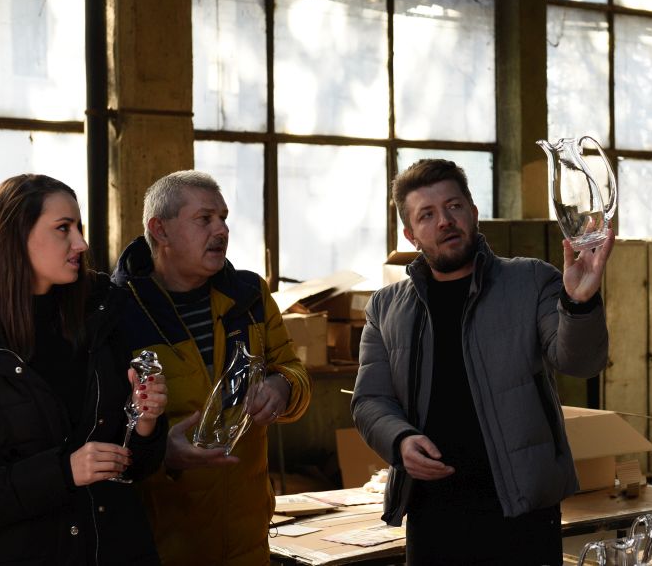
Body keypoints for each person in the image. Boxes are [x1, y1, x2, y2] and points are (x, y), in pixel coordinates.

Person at [352, 158, 614, 565]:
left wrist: (579, 303)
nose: (445, 220)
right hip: (432, 515)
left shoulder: (530, 281)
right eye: (427, 214)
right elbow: (370, 400)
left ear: (473, 213)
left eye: (454, 206)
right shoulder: (385, 308)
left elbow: (581, 362)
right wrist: (399, 440)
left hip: (522, 513)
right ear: (410, 235)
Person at [0, 174, 169, 565]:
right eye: (63, 228)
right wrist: (63, 472)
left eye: (79, 227)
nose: (81, 244)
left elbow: (136, 469)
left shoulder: (101, 316)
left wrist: (144, 423)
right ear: (15, 236)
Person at [112, 169, 312, 565]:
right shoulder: (119, 312)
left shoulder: (249, 296)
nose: (221, 230)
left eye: (223, 218)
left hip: (248, 541)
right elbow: (99, 429)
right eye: (204, 219)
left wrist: (283, 387)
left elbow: (293, 369)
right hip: (162, 546)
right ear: (160, 230)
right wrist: (159, 453)